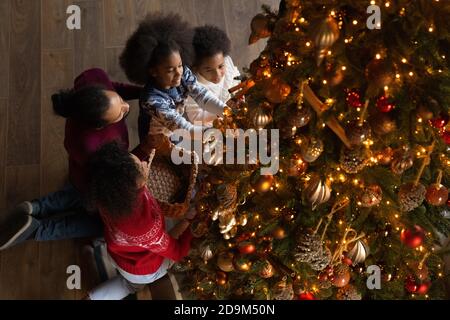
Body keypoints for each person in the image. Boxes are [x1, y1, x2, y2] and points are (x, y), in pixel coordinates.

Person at [0, 69, 144, 250]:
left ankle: (35, 207)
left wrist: (142, 93)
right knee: (103, 224)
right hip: (94, 181)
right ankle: (39, 230)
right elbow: (122, 169)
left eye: (120, 100)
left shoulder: (92, 81)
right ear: (99, 126)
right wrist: (146, 148)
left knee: (74, 194)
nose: (126, 107)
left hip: (82, 173)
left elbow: (114, 87)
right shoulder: (92, 146)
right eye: (120, 114)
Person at [86, 142, 193, 300]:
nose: (144, 163)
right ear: (137, 184)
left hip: (119, 255)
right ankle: (102, 294)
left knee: (128, 278)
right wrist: (191, 226)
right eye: (141, 166)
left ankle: (92, 296)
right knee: (130, 285)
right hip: (144, 270)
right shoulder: (145, 227)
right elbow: (177, 252)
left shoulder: (108, 196)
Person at [120, 13, 230, 157]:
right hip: (155, 136)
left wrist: (226, 111)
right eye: (170, 70)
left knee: (180, 150)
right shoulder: (152, 101)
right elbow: (183, 127)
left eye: (180, 65)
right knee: (162, 163)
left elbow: (202, 95)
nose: (179, 73)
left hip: (175, 128)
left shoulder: (183, 73)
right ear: (153, 71)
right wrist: (215, 132)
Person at [185, 25, 241, 127]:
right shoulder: (192, 86)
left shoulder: (226, 61)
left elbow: (235, 77)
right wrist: (221, 110)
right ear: (196, 67)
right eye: (209, 70)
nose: (217, 75)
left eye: (220, 66)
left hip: (231, 110)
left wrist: (238, 95)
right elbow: (195, 116)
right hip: (211, 123)